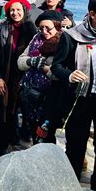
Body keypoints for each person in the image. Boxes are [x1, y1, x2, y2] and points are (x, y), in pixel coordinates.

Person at [51, 0, 96, 191]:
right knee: (75, 145)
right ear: (93, 14)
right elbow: (56, 66)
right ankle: (70, 187)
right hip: (79, 99)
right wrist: (70, 75)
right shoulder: (72, 36)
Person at [0, 0, 37, 158]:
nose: (15, 13)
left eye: (18, 10)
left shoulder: (31, 31)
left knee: (13, 113)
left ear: (25, 11)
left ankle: (5, 145)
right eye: (12, 10)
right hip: (2, 76)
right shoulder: (1, 29)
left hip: (21, 79)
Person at [17, 10, 65, 144]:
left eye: (48, 28)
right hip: (30, 93)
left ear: (57, 26)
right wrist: (30, 61)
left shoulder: (64, 42)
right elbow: (20, 61)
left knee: (46, 132)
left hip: (49, 97)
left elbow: (63, 73)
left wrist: (43, 67)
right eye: (41, 27)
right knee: (33, 128)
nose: (44, 31)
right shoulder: (36, 39)